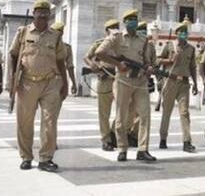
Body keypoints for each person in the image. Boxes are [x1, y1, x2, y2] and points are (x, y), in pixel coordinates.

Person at [9, 0, 68, 172]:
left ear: (49, 15)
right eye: (39, 11)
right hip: (27, 83)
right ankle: (26, 157)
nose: (42, 14)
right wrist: (13, 79)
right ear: (33, 13)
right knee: (25, 122)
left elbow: (61, 61)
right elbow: (13, 55)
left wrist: (65, 83)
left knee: (50, 122)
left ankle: (45, 158)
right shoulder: (22, 33)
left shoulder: (55, 36)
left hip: (50, 83)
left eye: (45, 11)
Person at [95, 9, 156, 162]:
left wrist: (148, 67)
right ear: (124, 22)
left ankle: (143, 149)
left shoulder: (143, 39)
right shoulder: (116, 37)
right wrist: (118, 64)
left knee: (145, 115)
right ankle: (122, 148)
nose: (133, 22)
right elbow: (99, 53)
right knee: (121, 116)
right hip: (123, 80)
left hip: (140, 80)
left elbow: (146, 59)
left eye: (135, 19)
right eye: (130, 19)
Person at [157, 21, 198, 152]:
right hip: (170, 82)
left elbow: (193, 67)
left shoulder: (191, 49)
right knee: (166, 112)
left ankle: (187, 141)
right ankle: (163, 138)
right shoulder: (170, 46)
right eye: (180, 32)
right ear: (176, 34)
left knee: (185, 113)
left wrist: (196, 83)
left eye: (185, 32)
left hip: (184, 84)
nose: (183, 34)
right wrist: (169, 60)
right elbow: (157, 61)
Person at [84, 18, 120, 151]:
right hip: (104, 79)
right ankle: (106, 139)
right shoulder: (99, 43)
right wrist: (94, 65)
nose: (115, 29)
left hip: (118, 79)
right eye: (112, 27)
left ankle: (112, 132)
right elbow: (87, 57)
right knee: (104, 113)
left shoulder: (122, 44)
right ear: (106, 31)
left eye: (117, 26)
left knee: (123, 110)